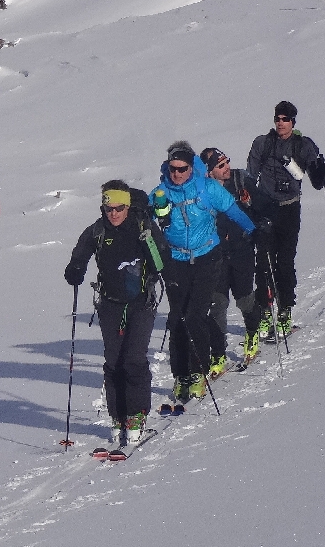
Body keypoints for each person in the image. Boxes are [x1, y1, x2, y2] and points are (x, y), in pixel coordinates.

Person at [64, 180, 167, 451]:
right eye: (108, 208)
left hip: (141, 302)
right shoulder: (97, 230)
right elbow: (80, 254)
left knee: (133, 358)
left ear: (127, 205)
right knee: (113, 361)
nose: (114, 213)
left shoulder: (143, 226)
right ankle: (117, 416)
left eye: (119, 208)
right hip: (109, 304)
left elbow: (161, 261)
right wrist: (75, 269)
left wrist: (150, 247)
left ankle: (137, 416)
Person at [150, 141, 255, 403]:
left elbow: (232, 210)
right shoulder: (161, 193)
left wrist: (254, 230)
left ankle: (199, 371)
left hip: (208, 257)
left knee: (195, 315)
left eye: (182, 168)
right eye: (173, 169)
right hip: (176, 260)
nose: (177, 174)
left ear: (190, 166)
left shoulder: (206, 188)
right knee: (176, 319)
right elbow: (145, 225)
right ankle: (181, 375)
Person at [247, 100, 325, 339]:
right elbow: (251, 175)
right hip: (264, 209)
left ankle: (285, 311)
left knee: (284, 262)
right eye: (278, 119)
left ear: (293, 122)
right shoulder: (262, 143)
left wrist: (322, 172)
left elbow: (316, 181)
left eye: (285, 119)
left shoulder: (303, 146)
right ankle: (264, 311)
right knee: (263, 263)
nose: (281, 123)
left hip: (289, 210)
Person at [199, 147, 265, 368]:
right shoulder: (202, 191)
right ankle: (218, 353)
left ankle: (252, 334)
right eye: (220, 165)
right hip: (215, 255)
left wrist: (262, 224)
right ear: (209, 172)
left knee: (245, 298)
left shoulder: (240, 180)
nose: (226, 167)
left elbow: (261, 203)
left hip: (241, 250)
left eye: (226, 161)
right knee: (217, 304)